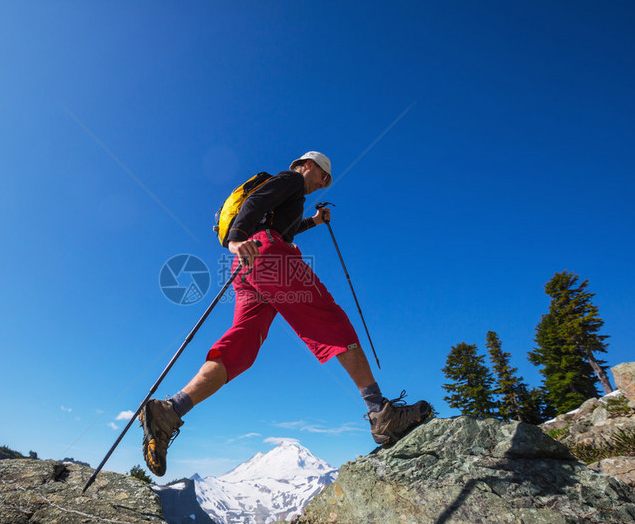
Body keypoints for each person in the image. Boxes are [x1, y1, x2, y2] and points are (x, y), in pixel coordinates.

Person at [140, 151, 429, 476]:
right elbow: (257, 204)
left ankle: (171, 409)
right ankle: (380, 413)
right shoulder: (290, 178)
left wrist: (314, 222)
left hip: (249, 266)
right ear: (309, 165)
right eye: (325, 176)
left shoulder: (293, 199)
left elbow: (282, 227)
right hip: (266, 254)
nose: (325, 183)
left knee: (242, 347)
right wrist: (237, 238)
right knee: (330, 319)